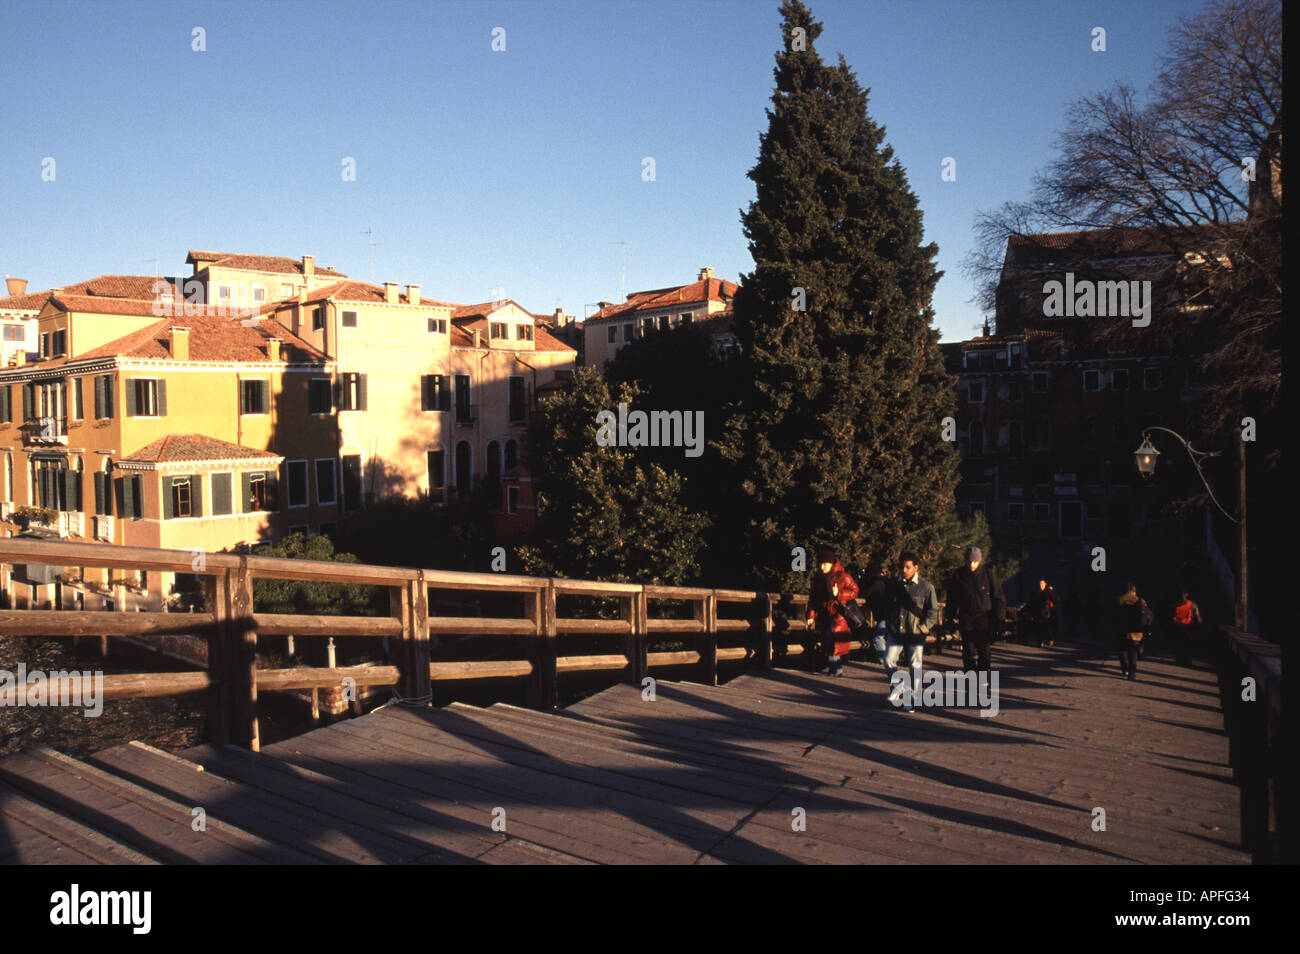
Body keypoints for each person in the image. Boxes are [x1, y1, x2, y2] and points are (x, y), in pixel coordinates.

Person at [883, 553, 938, 712]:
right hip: (896, 631)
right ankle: (899, 686)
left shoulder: (926, 587)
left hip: (915, 633)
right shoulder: (893, 584)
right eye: (902, 567)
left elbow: (933, 611)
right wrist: (889, 624)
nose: (904, 570)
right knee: (888, 659)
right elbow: (887, 607)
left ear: (916, 567)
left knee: (915, 665)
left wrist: (923, 628)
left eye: (908, 567)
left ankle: (912, 698)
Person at [946, 546, 1007, 684]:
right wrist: (949, 616)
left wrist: (1000, 619)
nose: (972, 565)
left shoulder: (988, 574)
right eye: (969, 561)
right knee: (968, 650)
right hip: (967, 616)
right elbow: (952, 597)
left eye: (974, 562)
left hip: (985, 616)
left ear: (979, 561)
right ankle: (971, 677)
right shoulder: (959, 575)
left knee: (984, 649)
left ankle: (984, 676)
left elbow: (999, 597)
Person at [804, 547, 859, 677]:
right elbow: (814, 598)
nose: (822, 567)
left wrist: (839, 593)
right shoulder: (818, 578)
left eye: (825, 564)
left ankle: (833, 668)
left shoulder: (843, 576)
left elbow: (855, 591)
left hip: (839, 615)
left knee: (831, 639)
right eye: (820, 564)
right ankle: (836, 669)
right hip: (825, 615)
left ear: (832, 563)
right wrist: (810, 615)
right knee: (829, 642)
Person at [1113, 582, 1152, 680]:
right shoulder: (1141, 600)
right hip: (1137, 631)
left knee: (1122, 650)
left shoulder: (1119, 599)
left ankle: (1125, 669)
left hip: (1122, 630)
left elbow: (1113, 615)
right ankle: (1132, 673)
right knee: (1133, 652)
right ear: (1134, 590)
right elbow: (1147, 615)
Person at [860, 562, 893, 663]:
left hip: (884, 614)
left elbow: (865, 594)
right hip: (890, 614)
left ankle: (883, 660)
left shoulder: (877, 583)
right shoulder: (886, 581)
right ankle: (890, 659)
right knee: (888, 637)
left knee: (877, 638)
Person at [1169, 588, 1202, 667]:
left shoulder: (1173, 605)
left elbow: (1169, 618)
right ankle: (1188, 662)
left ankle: (1179, 661)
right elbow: (1198, 619)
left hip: (1177, 628)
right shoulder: (1193, 605)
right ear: (1187, 594)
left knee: (1179, 644)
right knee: (1188, 645)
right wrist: (1198, 626)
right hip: (1189, 628)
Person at [1026, 578, 1058, 647]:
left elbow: (1056, 599)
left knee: (1048, 627)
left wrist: (1051, 592)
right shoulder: (1034, 592)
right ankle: (1040, 641)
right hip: (1039, 612)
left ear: (1045, 584)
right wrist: (1031, 614)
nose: (1041, 585)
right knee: (1039, 627)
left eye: (1042, 583)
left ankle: (1050, 639)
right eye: (1040, 583)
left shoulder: (1048, 591)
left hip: (1048, 613)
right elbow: (1031, 603)